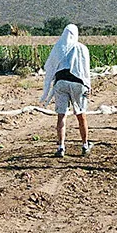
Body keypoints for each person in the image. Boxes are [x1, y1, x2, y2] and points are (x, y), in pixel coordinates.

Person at [39, 23, 92, 157]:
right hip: (77, 83)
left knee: (61, 115)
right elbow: (85, 70)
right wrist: (88, 86)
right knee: (81, 114)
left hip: (60, 83)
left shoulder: (58, 47)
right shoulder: (81, 48)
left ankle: (61, 147)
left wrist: (48, 87)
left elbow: (50, 66)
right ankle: (85, 145)